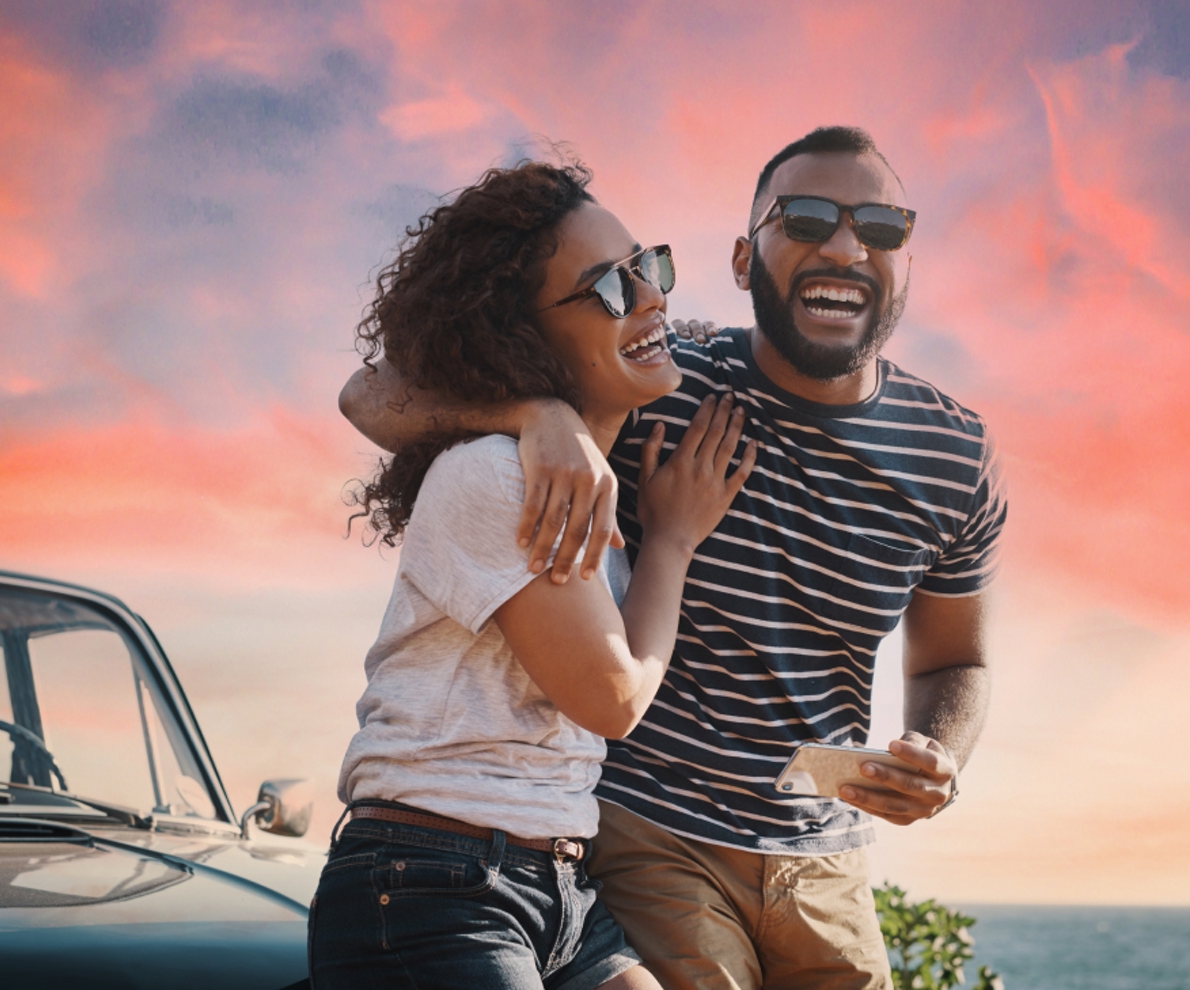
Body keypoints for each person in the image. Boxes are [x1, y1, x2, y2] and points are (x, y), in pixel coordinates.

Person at [339, 126, 1008, 990]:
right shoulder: (657, 377)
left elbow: (959, 658)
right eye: (804, 219)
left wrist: (942, 755)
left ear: (906, 261)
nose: (845, 246)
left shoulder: (955, 453)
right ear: (744, 259)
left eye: (881, 228)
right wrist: (538, 412)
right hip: (646, 831)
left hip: (824, 856)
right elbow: (374, 395)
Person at [314, 158, 757, 990]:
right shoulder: (496, 476)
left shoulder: (582, 471)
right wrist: (671, 542)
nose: (652, 296)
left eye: (648, 267)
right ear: (521, 334)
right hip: (430, 884)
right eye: (612, 288)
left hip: (552, 887)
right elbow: (612, 699)